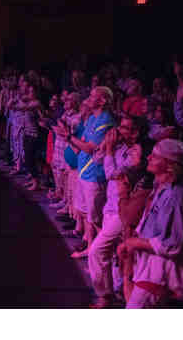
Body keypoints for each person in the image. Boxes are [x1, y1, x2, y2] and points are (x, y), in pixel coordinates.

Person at [117, 139, 183, 308]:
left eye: (155, 156)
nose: (149, 157)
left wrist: (135, 243)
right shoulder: (162, 188)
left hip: (160, 272)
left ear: (170, 166)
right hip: (151, 267)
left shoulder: (176, 197)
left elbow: (173, 244)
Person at [87, 115, 145, 308]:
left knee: (97, 250)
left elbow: (111, 174)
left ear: (135, 133)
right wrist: (106, 145)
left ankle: (104, 295)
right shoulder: (118, 147)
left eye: (125, 128)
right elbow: (96, 159)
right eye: (120, 126)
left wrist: (110, 151)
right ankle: (116, 292)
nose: (119, 130)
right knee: (112, 255)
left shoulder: (136, 152)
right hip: (110, 207)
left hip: (124, 210)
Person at [58, 86, 115, 258]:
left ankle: (102, 254)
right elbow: (81, 143)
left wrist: (69, 137)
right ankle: (90, 247)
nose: (88, 98)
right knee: (86, 214)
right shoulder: (91, 119)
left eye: (92, 96)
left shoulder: (105, 121)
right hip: (83, 172)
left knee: (96, 218)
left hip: (94, 175)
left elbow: (89, 148)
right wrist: (68, 136)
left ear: (102, 101)